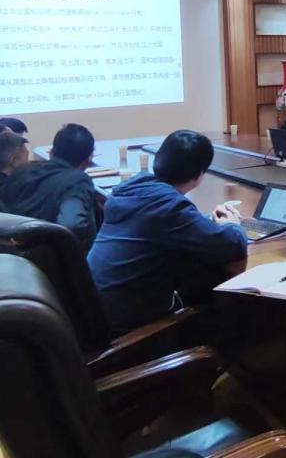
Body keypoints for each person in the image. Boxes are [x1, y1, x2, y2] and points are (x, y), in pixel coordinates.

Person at [87, 130, 248, 334]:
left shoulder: (130, 192)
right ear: (199, 174)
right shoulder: (169, 208)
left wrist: (204, 221)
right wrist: (233, 224)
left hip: (94, 311)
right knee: (219, 279)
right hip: (125, 325)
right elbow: (232, 244)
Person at [0, 123, 103, 252]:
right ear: (88, 161)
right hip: (53, 259)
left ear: (51, 153)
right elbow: (72, 224)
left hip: (12, 254)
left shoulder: (22, 171)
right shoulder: (77, 180)